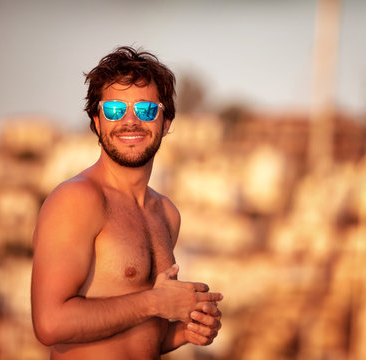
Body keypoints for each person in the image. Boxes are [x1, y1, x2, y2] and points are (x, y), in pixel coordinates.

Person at [31, 46, 223, 360]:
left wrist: (185, 331)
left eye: (146, 110)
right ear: (96, 121)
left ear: (166, 121)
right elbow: (50, 324)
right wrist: (156, 302)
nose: (130, 121)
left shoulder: (166, 213)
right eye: (115, 110)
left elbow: (138, 335)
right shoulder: (77, 199)